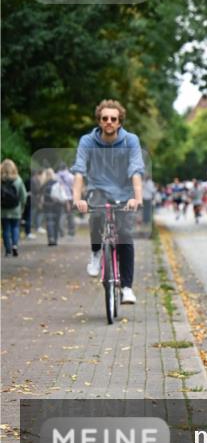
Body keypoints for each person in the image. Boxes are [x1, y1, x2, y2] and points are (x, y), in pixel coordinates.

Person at [71, 99, 144, 304]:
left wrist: (137, 198)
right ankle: (96, 252)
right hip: (98, 189)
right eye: (105, 119)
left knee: (125, 236)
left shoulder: (131, 140)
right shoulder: (87, 141)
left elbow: (135, 169)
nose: (109, 122)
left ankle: (127, 288)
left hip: (124, 192)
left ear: (120, 122)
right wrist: (77, 199)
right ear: (99, 121)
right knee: (96, 214)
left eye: (113, 119)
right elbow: (79, 171)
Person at [1, 159, 28, 257]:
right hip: (16, 209)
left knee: (5, 229)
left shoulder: (1, 180)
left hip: (3, 210)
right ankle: (15, 245)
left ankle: (8, 250)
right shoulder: (18, 180)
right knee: (15, 227)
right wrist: (22, 207)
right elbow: (24, 196)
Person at [39, 168, 65, 246]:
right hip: (57, 205)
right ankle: (56, 239)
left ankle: (51, 239)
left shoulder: (44, 184)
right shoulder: (57, 183)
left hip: (47, 206)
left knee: (49, 222)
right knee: (56, 223)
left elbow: (41, 196)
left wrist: (41, 204)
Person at [56, 163, 76, 237]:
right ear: (66, 167)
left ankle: (60, 231)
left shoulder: (56, 176)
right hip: (70, 198)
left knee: (61, 215)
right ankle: (71, 232)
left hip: (59, 198)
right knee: (71, 215)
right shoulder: (71, 176)